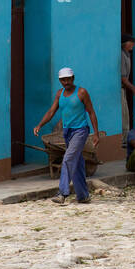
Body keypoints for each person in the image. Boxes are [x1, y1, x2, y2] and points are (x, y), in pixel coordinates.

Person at [33, 67, 101, 205]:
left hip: (80, 131)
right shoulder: (59, 94)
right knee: (77, 162)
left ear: (73, 78)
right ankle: (83, 195)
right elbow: (51, 112)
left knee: (68, 158)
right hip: (67, 132)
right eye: (63, 80)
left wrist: (96, 133)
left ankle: (62, 193)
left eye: (68, 79)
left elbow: (91, 112)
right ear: (60, 81)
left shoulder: (81, 92)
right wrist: (39, 125)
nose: (66, 82)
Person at [121, 33, 135, 133]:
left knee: (125, 114)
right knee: (124, 115)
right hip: (121, 89)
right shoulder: (122, 55)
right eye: (132, 42)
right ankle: (124, 140)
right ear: (126, 43)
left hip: (123, 89)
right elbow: (123, 78)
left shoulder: (127, 54)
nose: (133, 44)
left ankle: (125, 138)